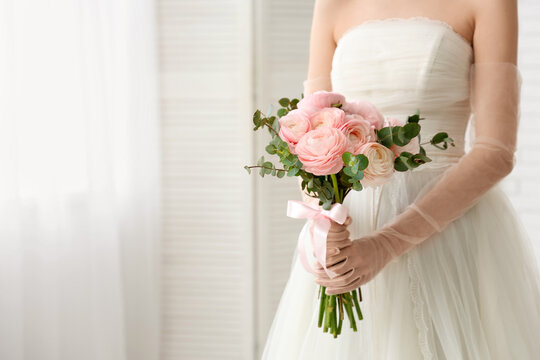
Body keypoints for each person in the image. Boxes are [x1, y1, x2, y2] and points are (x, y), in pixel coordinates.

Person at [261, 0, 540, 358]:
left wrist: (386, 245)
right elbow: (312, 129)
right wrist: (325, 228)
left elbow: (495, 151)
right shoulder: (331, 4)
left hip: (446, 233)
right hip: (350, 230)